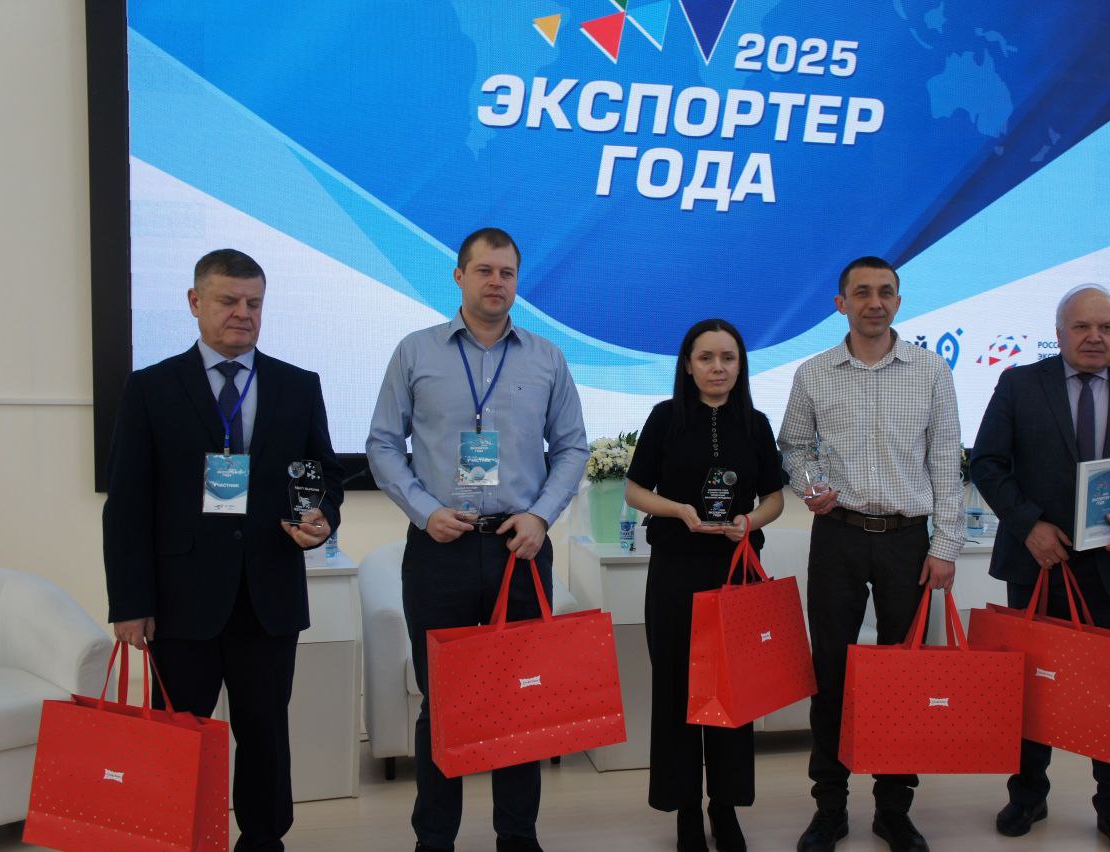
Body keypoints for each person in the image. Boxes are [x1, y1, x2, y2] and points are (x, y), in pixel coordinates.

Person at [103, 248, 344, 852]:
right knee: (178, 734)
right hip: (179, 601)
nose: (243, 313)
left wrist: (321, 518)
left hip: (268, 596)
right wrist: (129, 602)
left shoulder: (297, 385)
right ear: (195, 302)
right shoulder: (151, 387)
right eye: (228, 301)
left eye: (253, 303)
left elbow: (321, 473)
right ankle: (174, 838)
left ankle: (263, 840)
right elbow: (127, 504)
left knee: (265, 735)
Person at [366, 227, 588, 852]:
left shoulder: (546, 357)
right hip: (440, 549)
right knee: (443, 702)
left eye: (507, 273)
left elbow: (572, 447)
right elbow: (383, 444)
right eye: (485, 270)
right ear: (459, 276)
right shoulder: (415, 352)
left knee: (521, 700)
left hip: (521, 548)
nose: (497, 282)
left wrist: (541, 516)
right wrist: (424, 511)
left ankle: (517, 836)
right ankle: (434, 838)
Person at [970, 285, 1110, 852]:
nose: (1095, 337)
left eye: (1106, 327)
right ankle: (1027, 796)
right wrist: (1029, 525)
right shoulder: (1020, 384)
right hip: (1040, 565)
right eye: (1081, 326)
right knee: (1031, 690)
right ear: (1059, 333)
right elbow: (988, 463)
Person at [777, 256, 963, 852]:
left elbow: (946, 462)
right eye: (861, 293)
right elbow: (793, 446)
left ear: (899, 302)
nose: (874, 302)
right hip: (839, 536)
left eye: (885, 292)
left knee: (903, 676)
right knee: (830, 672)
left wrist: (946, 545)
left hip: (909, 541)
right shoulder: (814, 373)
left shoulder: (931, 371)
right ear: (841, 304)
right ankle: (829, 807)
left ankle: (894, 808)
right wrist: (811, 487)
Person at [624, 318, 785, 852]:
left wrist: (749, 522)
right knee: (677, 690)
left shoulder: (756, 424)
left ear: (741, 366)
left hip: (734, 572)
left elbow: (774, 498)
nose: (718, 368)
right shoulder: (665, 417)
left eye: (728, 358)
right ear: (688, 365)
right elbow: (634, 491)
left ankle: (726, 807)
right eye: (706, 358)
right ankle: (686, 810)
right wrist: (679, 511)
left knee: (731, 693)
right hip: (675, 571)